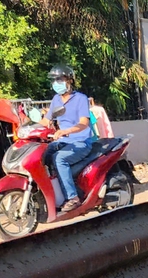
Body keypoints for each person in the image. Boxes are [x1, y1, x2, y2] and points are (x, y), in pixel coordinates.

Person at [40, 65, 92, 212]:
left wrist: (66, 131)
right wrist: (27, 128)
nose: (56, 83)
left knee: (59, 158)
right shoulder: (56, 99)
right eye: (54, 80)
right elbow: (45, 120)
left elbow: (84, 123)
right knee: (43, 155)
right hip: (62, 141)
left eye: (60, 79)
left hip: (80, 141)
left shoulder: (81, 99)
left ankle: (72, 197)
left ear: (69, 80)